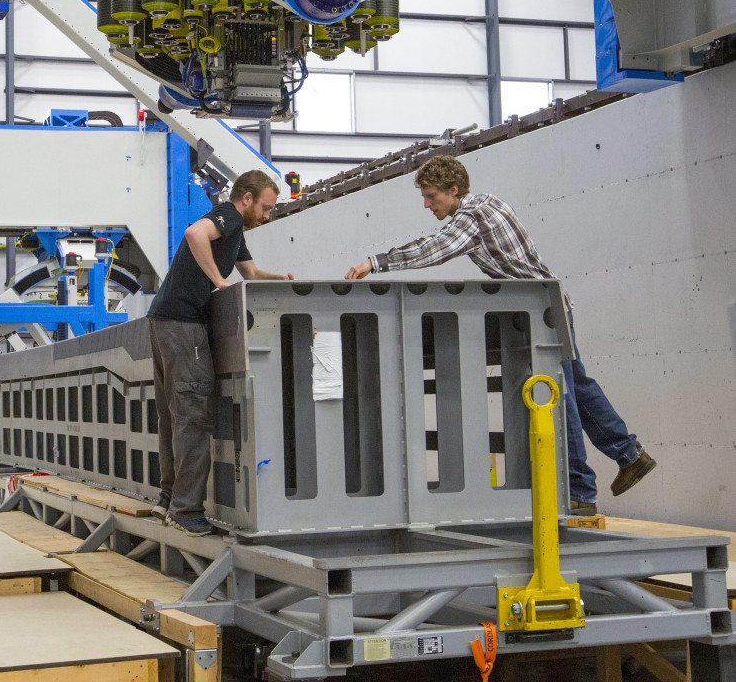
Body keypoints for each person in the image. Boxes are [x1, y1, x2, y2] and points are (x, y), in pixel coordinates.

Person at [345, 154, 655, 514]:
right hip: (552, 305)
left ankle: (580, 491)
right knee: (579, 387)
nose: (427, 205)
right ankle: (630, 454)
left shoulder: (471, 218)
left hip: (542, 313)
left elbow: (434, 250)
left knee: (561, 396)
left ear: (454, 189)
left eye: (431, 196)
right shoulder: (487, 203)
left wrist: (375, 262)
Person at [149, 169, 293, 534]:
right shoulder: (227, 215)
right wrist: (218, 281)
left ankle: (168, 500)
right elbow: (195, 233)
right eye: (265, 207)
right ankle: (185, 511)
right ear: (246, 198)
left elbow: (252, 273)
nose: (266, 215)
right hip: (183, 326)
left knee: (174, 414)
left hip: (165, 322)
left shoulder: (235, 231)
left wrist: (283, 279)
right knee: (194, 413)